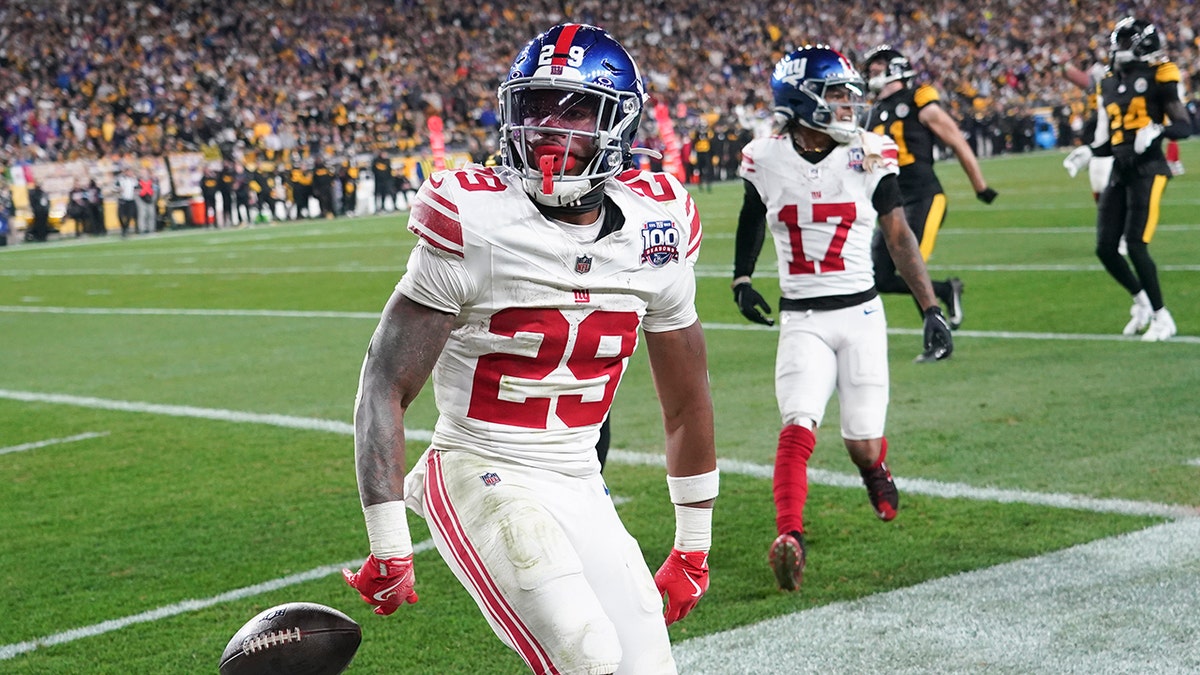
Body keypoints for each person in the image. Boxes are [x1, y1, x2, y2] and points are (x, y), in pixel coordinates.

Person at [342, 23, 718, 674]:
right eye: (534, 107)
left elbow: (687, 401)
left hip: (577, 475)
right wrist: (388, 540)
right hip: (479, 464)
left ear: (617, 123)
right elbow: (385, 379)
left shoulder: (657, 230)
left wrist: (692, 544)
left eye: (572, 110)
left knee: (648, 666)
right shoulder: (477, 222)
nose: (546, 128)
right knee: (588, 653)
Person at [730, 45, 952, 592]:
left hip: (861, 315)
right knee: (797, 424)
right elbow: (751, 217)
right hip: (801, 316)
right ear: (802, 99)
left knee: (861, 440)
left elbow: (898, 234)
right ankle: (790, 538)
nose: (849, 104)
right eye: (835, 94)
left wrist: (930, 307)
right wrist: (741, 278)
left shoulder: (871, 152)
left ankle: (874, 471)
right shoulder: (764, 157)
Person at [861, 45, 999, 330]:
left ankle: (936, 334)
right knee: (881, 277)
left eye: (878, 66)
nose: (872, 71)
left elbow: (956, 140)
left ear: (894, 68)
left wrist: (979, 185)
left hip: (924, 195)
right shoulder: (871, 114)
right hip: (891, 202)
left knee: (912, 265)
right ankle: (947, 290)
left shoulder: (918, 100)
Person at [1089, 18, 1191, 341]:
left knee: (1135, 244)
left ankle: (1163, 318)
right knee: (1105, 248)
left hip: (1149, 170)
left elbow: (1185, 126)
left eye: (1122, 44)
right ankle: (1142, 302)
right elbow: (1114, 141)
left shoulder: (1159, 76)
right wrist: (1089, 151)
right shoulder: (1107, 82)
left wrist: (1159, 130)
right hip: (1120, 170)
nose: (1116, 51)